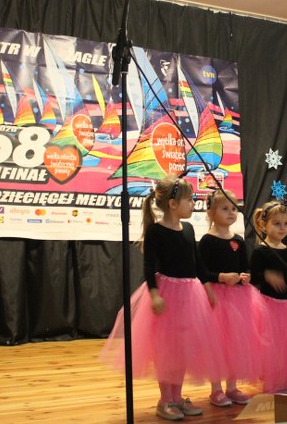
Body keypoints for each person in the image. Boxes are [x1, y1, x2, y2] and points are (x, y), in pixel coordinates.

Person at [99, 173, 225, 421]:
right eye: (190, 200)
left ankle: (177, 397)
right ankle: (165, 399)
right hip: (168, 296)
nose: (193, 204)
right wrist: (155, 294)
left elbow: (198, 265)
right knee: (167, 351)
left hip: (190, 296)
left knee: (182, 350)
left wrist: (208, 289)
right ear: (173, 203)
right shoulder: (156, 232)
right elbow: (149, 267)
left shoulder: (188, 229)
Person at [198, 190, 259, 407]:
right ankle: (216, 389)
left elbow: (245, 266)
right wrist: (222, 277)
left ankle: (232, 387)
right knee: (217, 344)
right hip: (216, 297)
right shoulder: (207, 240)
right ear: (211, 213)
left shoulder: (238, 240)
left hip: (237, 299)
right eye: (225, 209)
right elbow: (201, 272)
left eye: (234, 208)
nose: (231, 213)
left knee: (236, 344)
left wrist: (246, 276)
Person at [250, 200, 287, 393]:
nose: (282, 228)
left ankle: (286, 380)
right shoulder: (260, 250)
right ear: (263, 225)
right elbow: (252, 277)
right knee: (271, 345)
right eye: (276, 224)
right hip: (269, 306)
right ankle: (272, 380)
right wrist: (266, 274)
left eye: (285, 223)